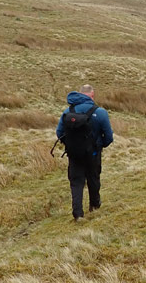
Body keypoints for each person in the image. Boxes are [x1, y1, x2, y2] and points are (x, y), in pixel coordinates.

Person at [56, 84, 113, 222]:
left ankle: (77, 213)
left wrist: (71, 145)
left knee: (76, 182)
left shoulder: (68, 111)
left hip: (74, 154)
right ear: (92, 95)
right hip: (93, 154)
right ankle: (94, 206)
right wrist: (100, 146)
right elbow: (109, 137)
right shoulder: (100, 112)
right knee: (93, 179)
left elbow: (59, 133)